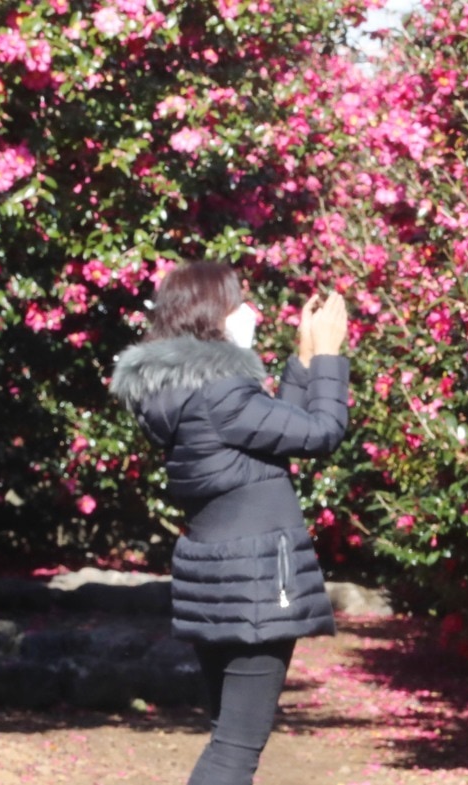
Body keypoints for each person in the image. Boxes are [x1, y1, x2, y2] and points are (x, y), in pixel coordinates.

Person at [108, 261, 352, 785]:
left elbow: (274, 437)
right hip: (255, 581)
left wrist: (304, 362)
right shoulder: (220, 393)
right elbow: (324, 431)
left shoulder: (190, 393)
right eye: (240, 302)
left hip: (217, 576)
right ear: (213, 316)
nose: (252, 312)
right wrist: (331, 354)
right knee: (234, 751)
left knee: (227, 736)